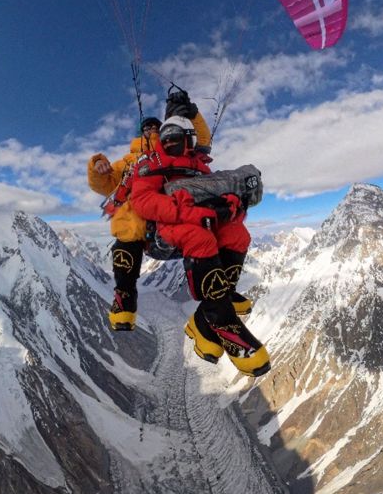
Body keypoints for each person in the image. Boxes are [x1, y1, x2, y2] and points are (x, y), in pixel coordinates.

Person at [120, 116, 270, 377]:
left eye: (175, 138)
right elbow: (144, 201)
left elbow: (214, 196)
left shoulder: (199, 166)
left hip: (201, 221)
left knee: (237, 235)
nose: (168, 142)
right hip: (165, 228)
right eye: (165, 139)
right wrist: (193, 214)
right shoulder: (149, 164)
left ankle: (206, 317)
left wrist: (230, 208)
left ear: (189, 139)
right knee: (199, 237)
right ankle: (222, 321)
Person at [84, 89, 209, 330]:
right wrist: (97, 164)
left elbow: (202, 142)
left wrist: (192, 113)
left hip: (170, 211)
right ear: (140, 134)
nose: (151, 130)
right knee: (129, 225)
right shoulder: (129, 161)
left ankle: (215, 295)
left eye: (155, 127)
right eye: (147, 128)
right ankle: (125, 297)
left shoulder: (175, 148)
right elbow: (104, 184)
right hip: (142, 218)